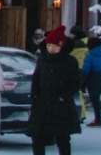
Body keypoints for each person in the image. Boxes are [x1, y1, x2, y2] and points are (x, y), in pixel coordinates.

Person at [29, 26, 83, 155]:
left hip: (61, 106)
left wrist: (64, 96)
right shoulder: (42, 60)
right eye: (49, 46)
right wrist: (35, 95)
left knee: (62, 138)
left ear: (61, 46)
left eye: (54, 46)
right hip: (42, 105)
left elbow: (75, 83)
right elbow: (36, 79)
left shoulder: (70, 61)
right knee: (37, 137)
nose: (51, 49)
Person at [81, 34, 101, 127]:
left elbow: (85, 71)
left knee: (95, 100)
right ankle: (98, 118)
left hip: (92, 80)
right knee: (96, 99)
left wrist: (82, 84)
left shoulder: (89, 56)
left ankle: (98, 119)